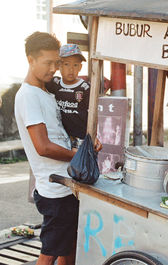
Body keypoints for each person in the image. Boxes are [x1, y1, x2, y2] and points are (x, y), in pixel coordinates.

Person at [14, 32, 101, 265]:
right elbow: (43, 146)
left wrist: (85, 145)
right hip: (54, 189)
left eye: (56, 62)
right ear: (30, 60)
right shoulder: (29, 96)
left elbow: (61, 131)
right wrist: (79, 156)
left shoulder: (45, 91)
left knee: (67, 246)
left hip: (65, 182)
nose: (54, 69)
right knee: (50, 251)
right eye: (48, 63)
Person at [46, 44, 90, 148]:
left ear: (80, 67)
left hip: (81, 139)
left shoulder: (85, 88)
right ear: (59, 66)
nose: (71, 69)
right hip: (60, 138)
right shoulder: (54, 84)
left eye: (75, 65)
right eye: (66, 64)